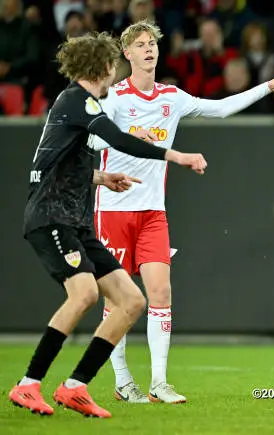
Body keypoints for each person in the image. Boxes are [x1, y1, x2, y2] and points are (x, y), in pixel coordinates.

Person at [89, 20, 274, 404]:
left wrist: (270, 85)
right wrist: (123, 141)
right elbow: (90, 138)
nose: (148, 49)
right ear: (127, 54)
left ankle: (159, 383)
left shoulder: (171, 97)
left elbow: (221, 109)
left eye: (152, 43)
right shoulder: (115, 98)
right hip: (113, 212)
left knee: (160, 292)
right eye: (140, 45)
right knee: (117, 303)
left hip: (153, 212)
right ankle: (123, 382)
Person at [8, 32, 206, 418]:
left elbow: (60, 164)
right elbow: (118, 139)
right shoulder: (78, 100)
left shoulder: (78, 107)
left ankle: (75, 386)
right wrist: (176, 155)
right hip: (52, 217)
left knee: (131, 301)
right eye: (112, 66)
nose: (113, 73)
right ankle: (29, 384)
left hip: (75, 221)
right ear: (101, 67)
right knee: (84, 294)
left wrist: (102, 179)